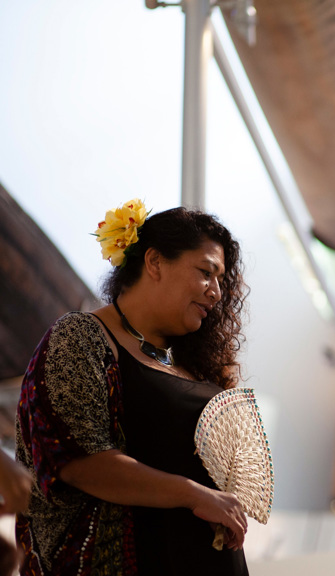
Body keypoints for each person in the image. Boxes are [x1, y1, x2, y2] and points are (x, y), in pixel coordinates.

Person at [16, 200, 251, 575]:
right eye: (207, 272)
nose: (217, 292)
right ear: (155, 262)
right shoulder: (80, 337)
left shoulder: (183, 362)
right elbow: (79, 462)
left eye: (222, 280)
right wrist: (194, 494)